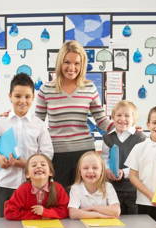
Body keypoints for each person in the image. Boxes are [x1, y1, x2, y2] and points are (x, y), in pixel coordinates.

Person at [35, 40, 114, 191]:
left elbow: (101, 120)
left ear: (82, 64)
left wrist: (126, 129)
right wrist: (13, 116)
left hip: (84, 154)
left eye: (77, 63)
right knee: (61, 201)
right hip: (57, 155)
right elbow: (36, 124)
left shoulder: (89, 87)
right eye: (67, 62)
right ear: (60, 63)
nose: (72, 68)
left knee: (86, 200)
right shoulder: (46, 89)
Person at [0, 73, 53, 217]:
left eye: (27, 97)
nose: (22, 101)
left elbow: (47, 154)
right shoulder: (0, 122)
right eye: (17, 96)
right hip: (7, 183)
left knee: (32, 221)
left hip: (34, 184)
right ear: (10, 96)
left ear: (33, 97)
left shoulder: (39, 125)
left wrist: (28, 164)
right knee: (6, 222)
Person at [4, 153, 69, 228]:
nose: (39, 166)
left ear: (50, 172)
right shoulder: (23, 190)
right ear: (28, 174)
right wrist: (37, 215)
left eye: (43, 164)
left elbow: (65, 210)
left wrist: (46, 212)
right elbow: (10, 212)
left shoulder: (58, 188)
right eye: (34, 165)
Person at [101, 100, 146, 228]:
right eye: (119, 115)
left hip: (133, 191)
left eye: (127, 115)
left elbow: (141, 164)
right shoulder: (108, 138)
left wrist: (124, 173)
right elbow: (104, 158)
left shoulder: (140, 138)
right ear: (112, 117)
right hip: (113, 191)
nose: (123, 119)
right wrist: (107, 171)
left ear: (134, 118)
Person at [68, 151, 130, 228]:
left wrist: (93, 208)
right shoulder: (76, 188)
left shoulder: (108, 187)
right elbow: (73, 213)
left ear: (102, 171)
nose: (90, 171)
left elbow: (115, 211)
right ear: (80, 171)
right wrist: (100, 215)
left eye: (95, 168)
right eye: (85, 168)